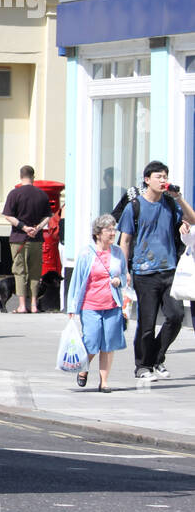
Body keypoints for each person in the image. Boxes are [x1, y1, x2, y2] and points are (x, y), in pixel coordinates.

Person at [118, 160, 195, 379]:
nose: (163, 180)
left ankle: (156, 358)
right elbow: (125, 240)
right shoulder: (135, 206)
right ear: (147, 179)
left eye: (165, 176)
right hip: (144, 273)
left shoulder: (170, 205)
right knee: (147, 323)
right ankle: (142, 366)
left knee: (176, 316)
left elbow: (192, 219)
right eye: (158, 177)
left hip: (169, 270)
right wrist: (125, 270)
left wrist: (178, 197)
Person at [66, 214, 128, 392]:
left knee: (108, 343)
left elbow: (124, 274)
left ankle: (104, 381)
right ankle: (84, 368)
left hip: (112, 304)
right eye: (109, 230)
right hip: (90, 305)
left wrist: (120, 281)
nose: (113, 233)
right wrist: (72, 306)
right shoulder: (86, 253)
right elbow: (77, 280)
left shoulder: (117, 253)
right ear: (98, 233)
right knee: (92, 340)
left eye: (114, 229)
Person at [1, 165, 51, 313]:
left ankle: (22, 305)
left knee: (19, 271)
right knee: (35, 272)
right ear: (33, 176)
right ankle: (34, 305)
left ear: (21, 176)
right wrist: (37, 228)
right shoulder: (42, 194)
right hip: (36, 239)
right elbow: (48, 216)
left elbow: (8, 216)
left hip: (19, 239)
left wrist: (24, 227)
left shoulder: (14, 194)